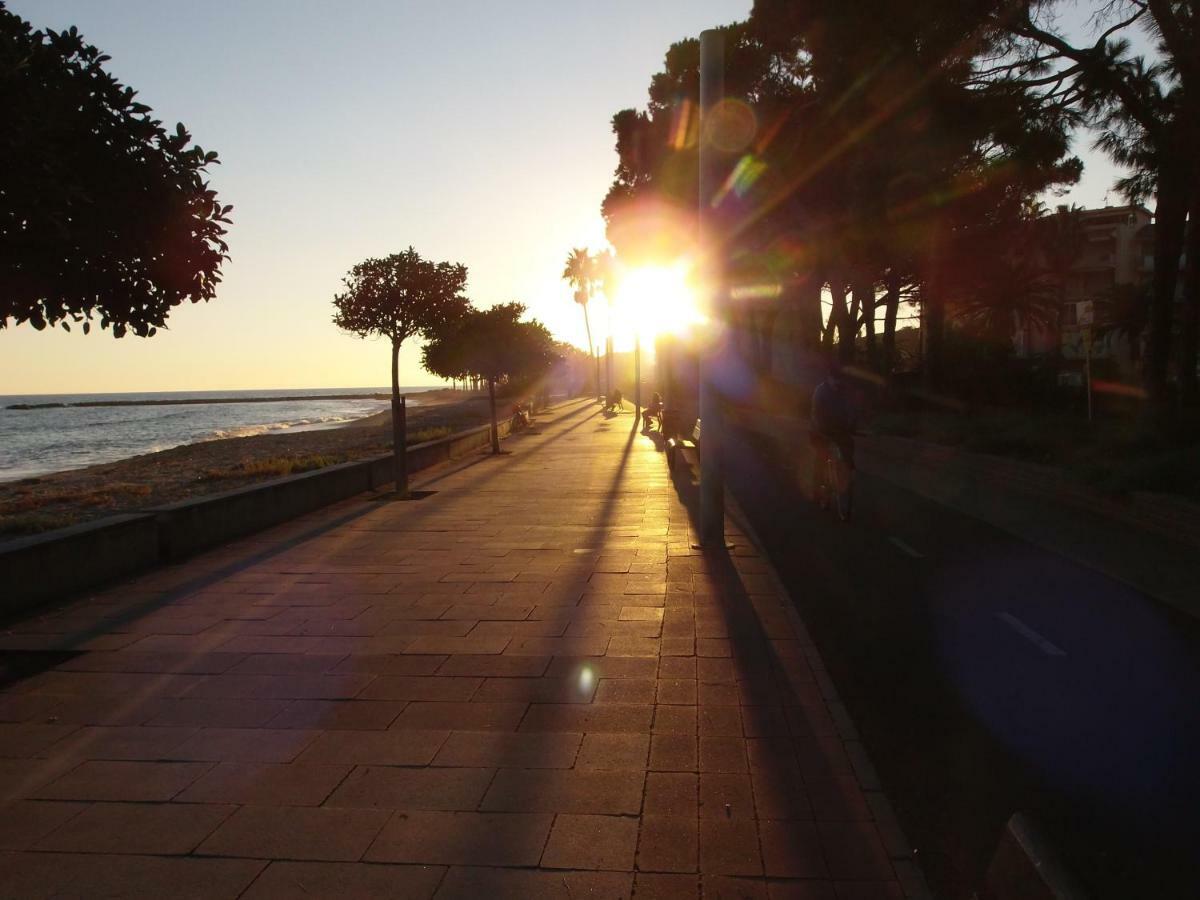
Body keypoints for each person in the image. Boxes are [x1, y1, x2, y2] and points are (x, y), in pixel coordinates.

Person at [810, 362, 856, 500]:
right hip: (820, 428)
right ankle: (817, 488)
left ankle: (847, 467)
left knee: (848, 445)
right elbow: (816, 412)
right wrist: (821, 427)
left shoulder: (845, 391)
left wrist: (852, 424)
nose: (838, 382)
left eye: (840, 379)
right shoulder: (820, 391)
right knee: (821, 456)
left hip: (839, 428)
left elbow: (851, 409)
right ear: (829, 378)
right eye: (835, 378)